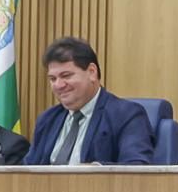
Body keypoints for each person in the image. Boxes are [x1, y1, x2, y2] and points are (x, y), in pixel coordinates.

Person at [22, 38, 154, 165]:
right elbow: (28, 169)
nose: (58, 85)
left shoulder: (125, 114)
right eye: (53, 79)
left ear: (92, 72)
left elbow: (137, 166)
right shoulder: (48, 118)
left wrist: (95, 170)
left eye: (66, 76)